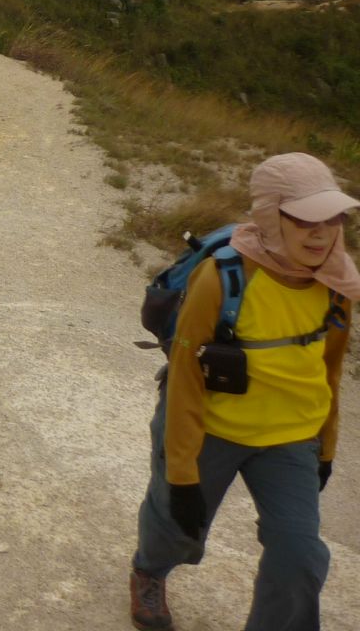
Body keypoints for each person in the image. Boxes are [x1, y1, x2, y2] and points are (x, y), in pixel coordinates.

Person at [129, 152, 359, 631]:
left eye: (332, 218)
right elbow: (186, 377)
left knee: (299, 557)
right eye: (304, 220)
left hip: (291, 438)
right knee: (176, 525)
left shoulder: (337, 283)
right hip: (212, 428)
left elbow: (330, 369)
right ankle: (150, 570)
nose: (321, 234)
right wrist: (182, 474)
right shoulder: (222, 278)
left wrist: (326, 448)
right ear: (271, 217)